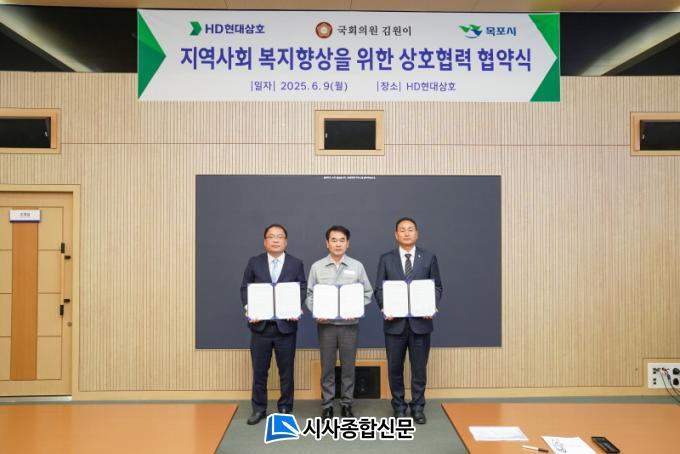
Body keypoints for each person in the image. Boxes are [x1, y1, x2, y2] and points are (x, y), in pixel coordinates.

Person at [375, 217, 442, 425]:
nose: (406, 233)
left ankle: (418, 407)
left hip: (421, 324)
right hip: (394, 324)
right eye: (402, 230)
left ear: (417, 233)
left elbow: (437, 287)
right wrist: (385, 308)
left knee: (419, 369)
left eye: (410, 229)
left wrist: (431, 306)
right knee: (395, 368)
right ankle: (399, 406)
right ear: (396, 234)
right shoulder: (386, 259)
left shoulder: (429, 257)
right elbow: (379, 289)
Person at [240, 224, 306, 425]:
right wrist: (250, 310)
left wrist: (296, 307)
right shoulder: (254, 262)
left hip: (286, 327)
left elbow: (302, 288)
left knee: (286, 371)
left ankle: (285, 407)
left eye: (280, 236)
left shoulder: (296, 263)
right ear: (265, 241)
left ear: (286, 241)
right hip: (260, 327)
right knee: (260, 371)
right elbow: (245, 288)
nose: (275, 240)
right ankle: (259, 409)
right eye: (271, 236)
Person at [306, 225, 373, 419]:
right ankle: (327, 405)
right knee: (327, 367)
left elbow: (367, 293)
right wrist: (316, 311)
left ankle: (346, 404)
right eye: (333, 240)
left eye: (342, 240)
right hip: (326, 326)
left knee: (348, 367)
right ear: (327, 243)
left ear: (348, 243)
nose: (338, 244)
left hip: (349, 326)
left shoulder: (357, 266)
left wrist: (356, 309)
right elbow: (309, 294)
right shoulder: (317, 267)